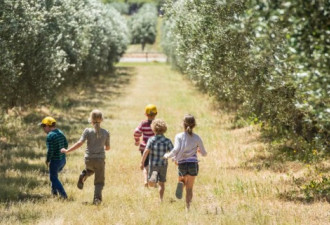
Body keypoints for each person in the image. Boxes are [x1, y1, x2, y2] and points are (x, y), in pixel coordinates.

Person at [61, 109, 110, 205]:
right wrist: (101, 145)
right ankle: (97, 200)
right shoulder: (106, 132)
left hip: (88, 159)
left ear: (91, 119)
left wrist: (67, 151)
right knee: (99, 181)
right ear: (101, 119)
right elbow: (107, 148)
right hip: (100, 159)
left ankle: (84, 174)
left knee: (91, 170)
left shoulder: (87, 131)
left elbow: (79, 143)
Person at [164, 114, 207, 210]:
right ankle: (188, 208)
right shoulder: (197, 137)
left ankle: (182, 182)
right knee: (190, 188)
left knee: (182, 178)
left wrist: (167, 155)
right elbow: (204, 153)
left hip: (182, 163)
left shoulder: (179, 136)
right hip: (193, 163)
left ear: (183, 124)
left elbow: (176, 149)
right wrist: (200, 151)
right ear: (194, 125)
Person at [140, 119, 173, 202]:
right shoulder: (167, 141)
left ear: (153, 129)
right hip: (163, 165)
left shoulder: (151, 140)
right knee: (162, 183)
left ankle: (152, 181)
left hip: (153, 165)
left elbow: (146, 151)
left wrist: (142, 162)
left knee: (151, 183)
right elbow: (173, 152)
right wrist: (174, 159)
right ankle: (161, 199)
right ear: (164, 129)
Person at [39, 116, 68, 199]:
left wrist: (47, 160)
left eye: (43, 126)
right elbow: (66, 144)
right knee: (54, 176)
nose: (43, 128)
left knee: (53, 177)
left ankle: (63, 195)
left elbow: (50, 151)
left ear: (48, 126)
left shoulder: (50, 136)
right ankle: (54, 193)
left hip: (55, 161)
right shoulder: (60, 132)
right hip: (63, 160)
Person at [134, 104, 157, 187]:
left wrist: (137, 140)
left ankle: (145, 180)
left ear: (146, 114)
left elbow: (136, 132)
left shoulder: (143, 123)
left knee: (145, 165)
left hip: (144, 147)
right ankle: (153, 182)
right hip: (155, 148)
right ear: (156, 114)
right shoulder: (157, 124)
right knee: (154, 165)